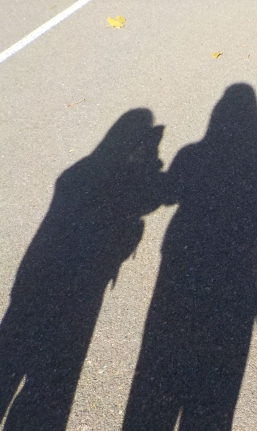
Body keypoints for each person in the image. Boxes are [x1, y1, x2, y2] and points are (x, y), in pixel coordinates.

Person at [0, 110, 165, 430]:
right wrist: (146, 167)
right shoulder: (119, 177)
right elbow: (152, 199)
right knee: (52, 374)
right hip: (80, 286)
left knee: (11, 346)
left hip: (34, 278)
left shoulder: (76, 172)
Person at [123, 84, 257, 430]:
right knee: (217, 379)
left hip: (183, 265)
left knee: (161, 363)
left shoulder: (192, 155)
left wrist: (148, 160)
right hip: (235, 269)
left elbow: (161, 194)